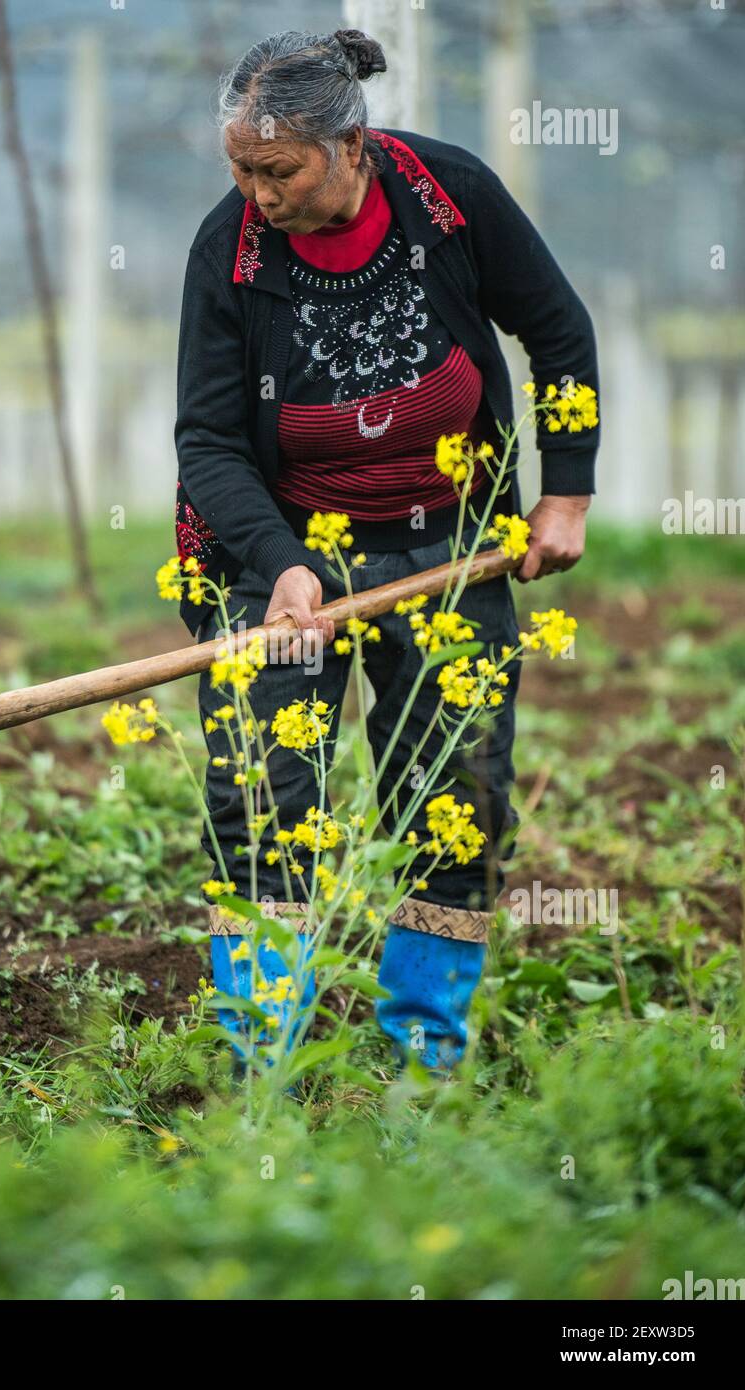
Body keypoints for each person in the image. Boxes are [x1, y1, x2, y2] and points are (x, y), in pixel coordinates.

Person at [172, 28, 599, 1070]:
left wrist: (567, 493)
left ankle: (423, 1056)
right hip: (281, 553)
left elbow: (558, 330)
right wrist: (281, 566)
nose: (256, 194)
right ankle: (261, 1059)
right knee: (265, 795)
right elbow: (209, 440)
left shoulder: (450, 200)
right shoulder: (226, 251)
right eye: (240, 169)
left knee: (456, 788)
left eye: (276, 170)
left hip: (450, 541)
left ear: (350, 145)